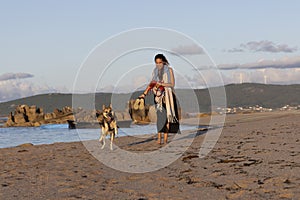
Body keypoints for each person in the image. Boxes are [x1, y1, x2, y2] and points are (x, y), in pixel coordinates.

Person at [139, 54, 180, 144]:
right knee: (159, 117)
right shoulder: (155, 71)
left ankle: (165, 139)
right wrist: (144, 93)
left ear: (164, 61)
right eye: (156, 63)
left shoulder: (169, 70)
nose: (158, 64)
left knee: (166, 117)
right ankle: (159, 138)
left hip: (167, 95)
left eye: (160, 62)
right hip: (157, 96)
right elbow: (152, 83)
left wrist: (161, 84)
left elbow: (172, 84)